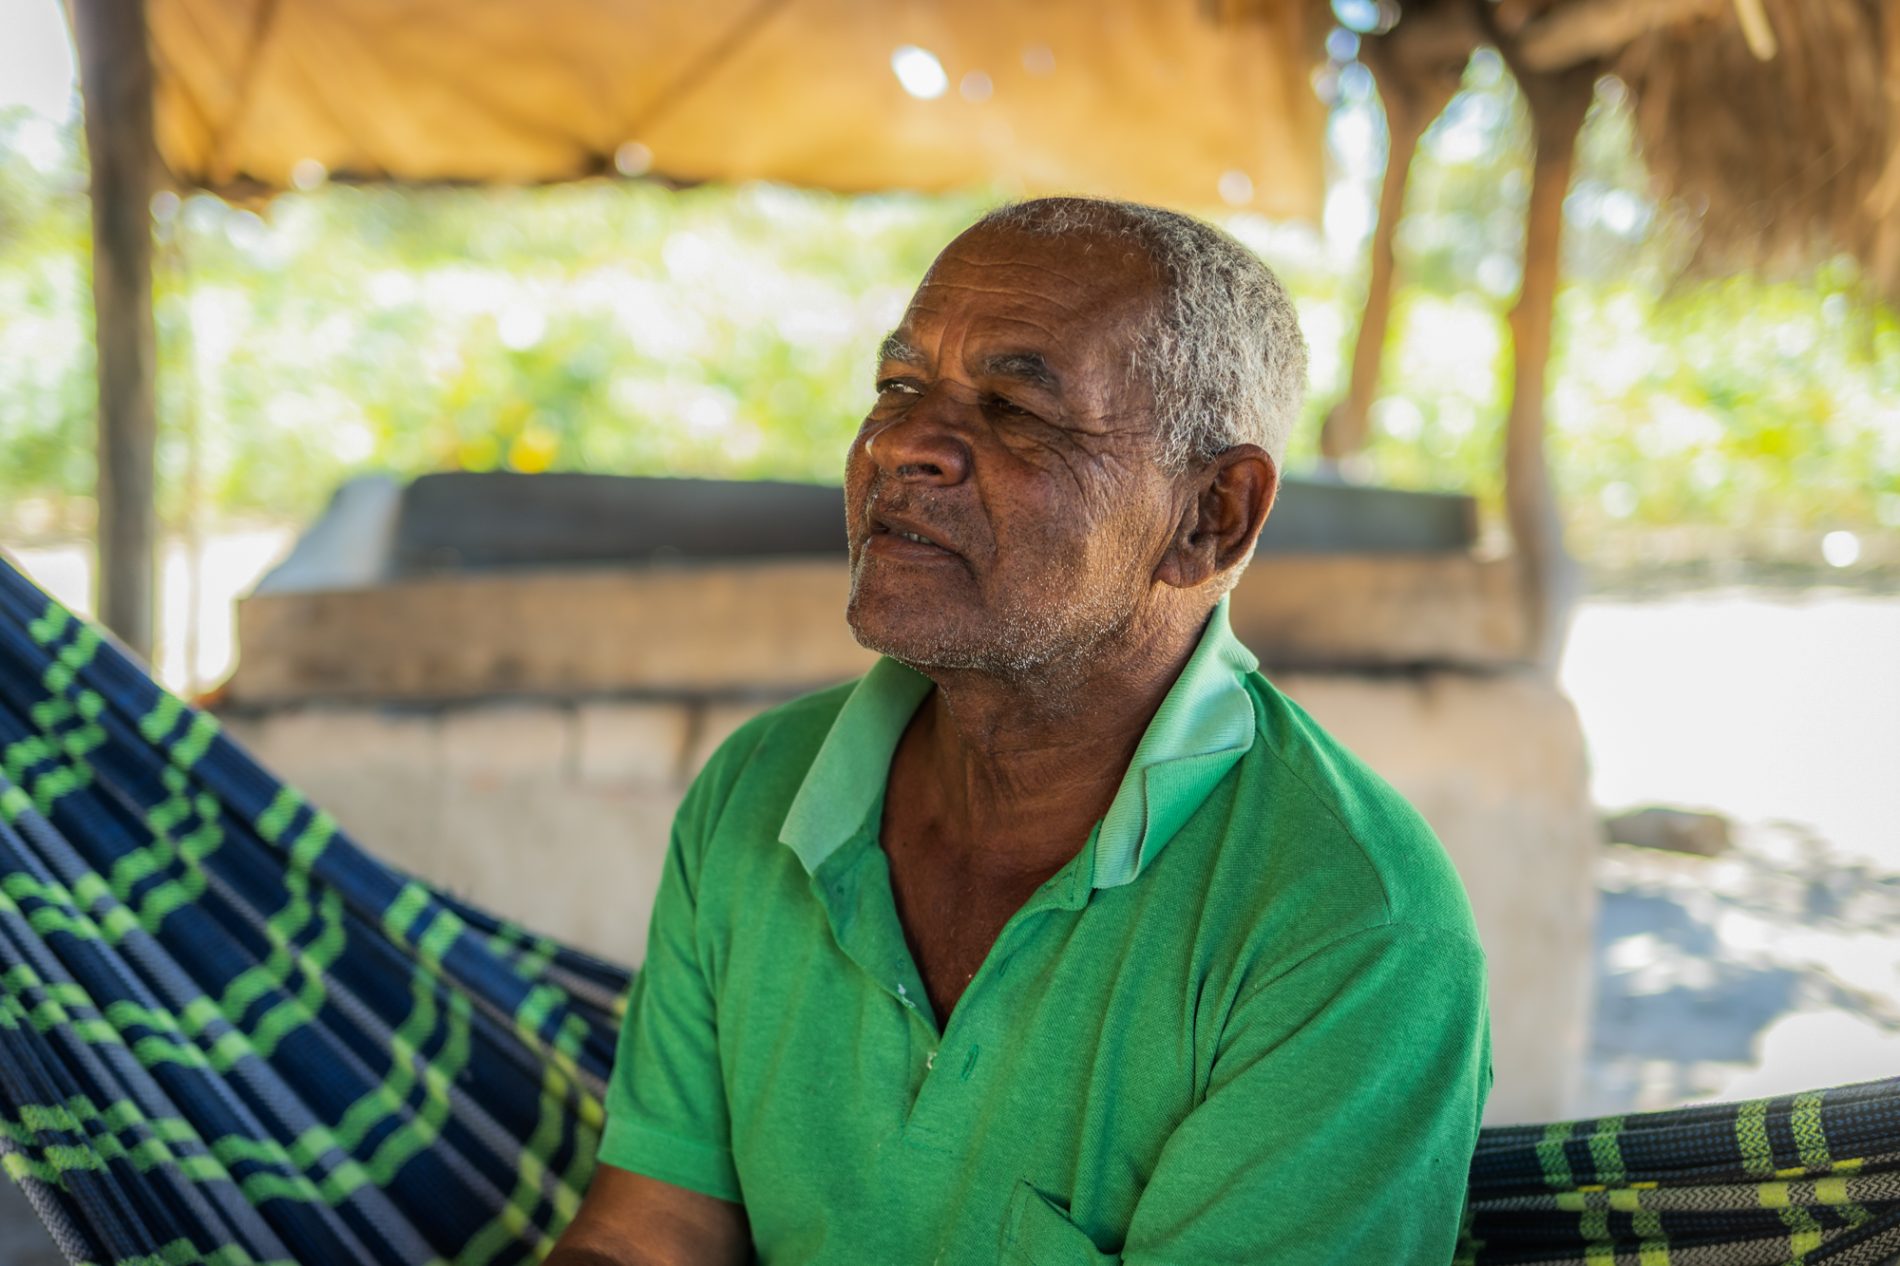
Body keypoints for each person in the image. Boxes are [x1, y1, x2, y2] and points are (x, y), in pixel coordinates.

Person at [547, 197, 1492, 1266]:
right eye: (899, 387)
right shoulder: (763, 788)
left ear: (1210, 515)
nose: (902, 444)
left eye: (1014, 410)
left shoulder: (1349, 930)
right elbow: (647, 1235)